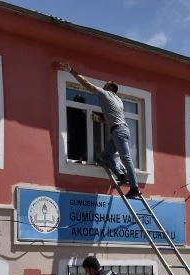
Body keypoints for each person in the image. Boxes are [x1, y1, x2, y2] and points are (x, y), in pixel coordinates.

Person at [57, 62, 142, 199]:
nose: (103, 85)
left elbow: (86, 84)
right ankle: (120, 175)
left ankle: (134, 188)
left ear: (110, 88)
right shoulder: (118, 100)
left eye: (106, 84)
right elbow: (113, 117)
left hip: (118, 132)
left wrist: (71, 70)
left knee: (126, 159)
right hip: (119, 130)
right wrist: (101, 120)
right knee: (105, 156)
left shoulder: (106, 94)